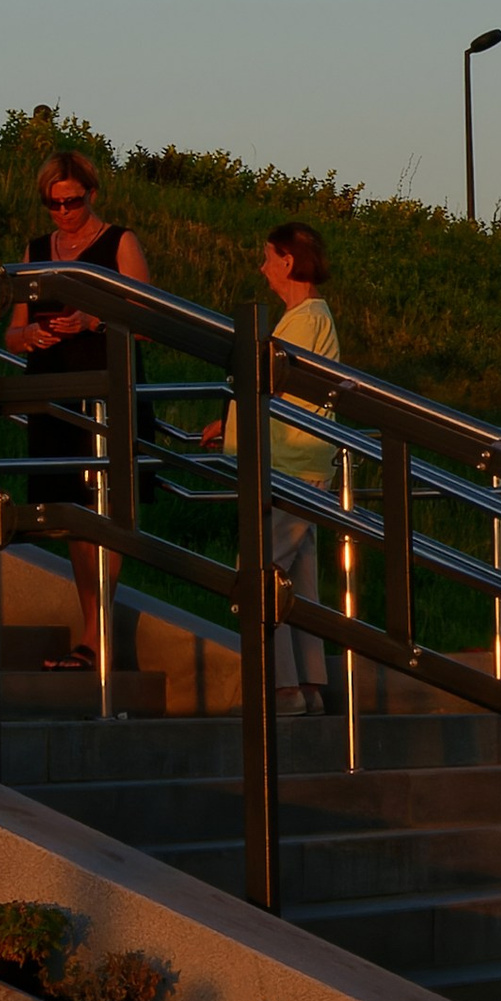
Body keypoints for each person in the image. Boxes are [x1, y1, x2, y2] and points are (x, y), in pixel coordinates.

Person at [5, 150, 151, 674]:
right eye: (54, 204)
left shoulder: (119, 242)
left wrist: (92, 319)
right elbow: (12, 331)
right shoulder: (36, 249)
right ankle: (93, 628)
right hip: (54, 389)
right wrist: (30, 333)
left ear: (92, 193)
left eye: (73, 201)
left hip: (107, 386)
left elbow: (149, 317)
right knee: (71, 512)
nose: (64, 212)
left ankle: (95, 635)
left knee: (106, 505)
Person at [192, 224, 343, 714]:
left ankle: (282, 689)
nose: (262, 268)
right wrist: (230, 422)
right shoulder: (310, 317)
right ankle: (310, 686)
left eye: (267, 257)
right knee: (298, 581)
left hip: (291, 465)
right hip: (302, 464)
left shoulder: (302, 320)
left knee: (258, 572)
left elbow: (269, 386)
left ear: (287, 261)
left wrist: (234, 422)